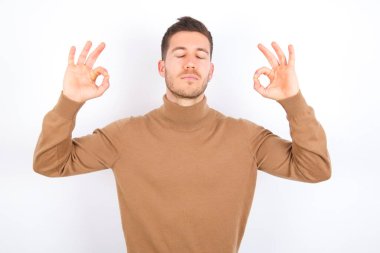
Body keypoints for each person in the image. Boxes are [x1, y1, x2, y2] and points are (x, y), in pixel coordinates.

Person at [33, 16, 331, 253]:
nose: (190, 62)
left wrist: (293, 100)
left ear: (211, 70)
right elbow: (49, 163)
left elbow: (315, 168)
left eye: (200, 55)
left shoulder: (246, 138)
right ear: (162, 67)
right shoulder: (124, 136)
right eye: (180, 54)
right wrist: (69, 101)